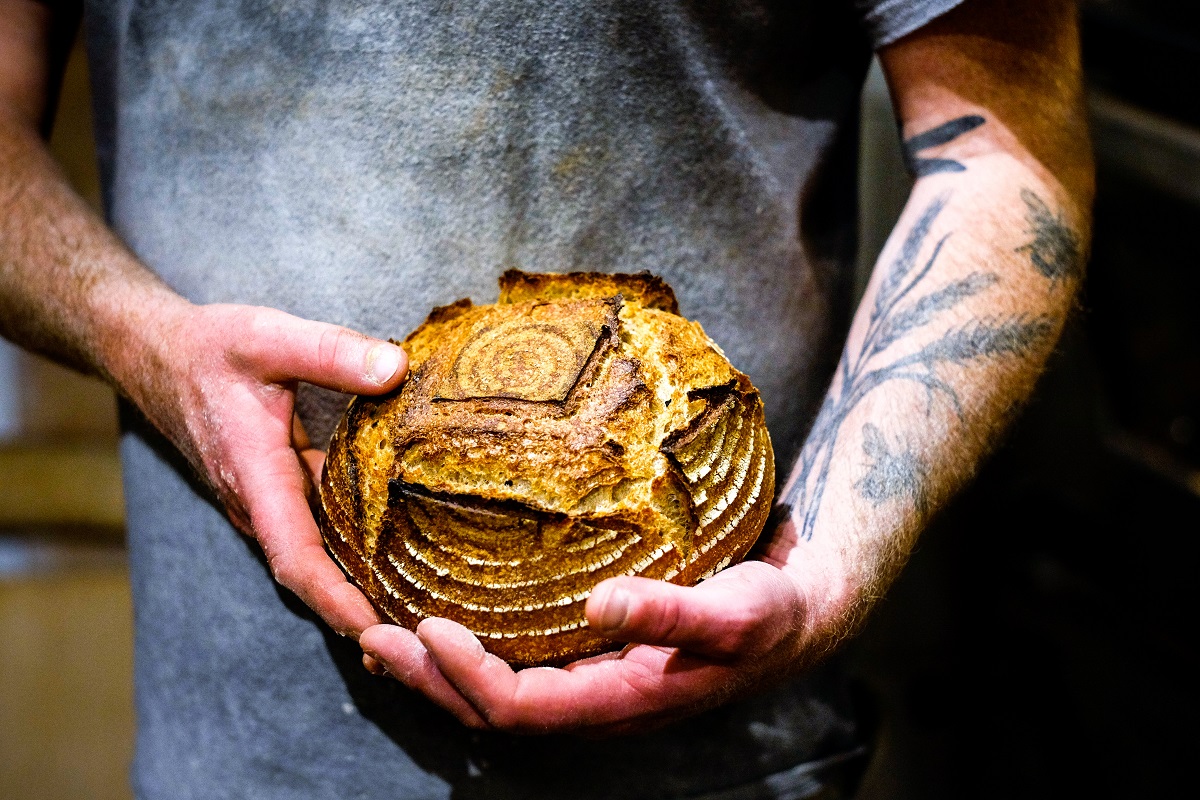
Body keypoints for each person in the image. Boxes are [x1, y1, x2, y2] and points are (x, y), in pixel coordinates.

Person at [0, 0, 1092, 797]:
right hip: (227, 757)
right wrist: (152, 349)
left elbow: (1002, 156)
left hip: (724, 763)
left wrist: (830, 564)